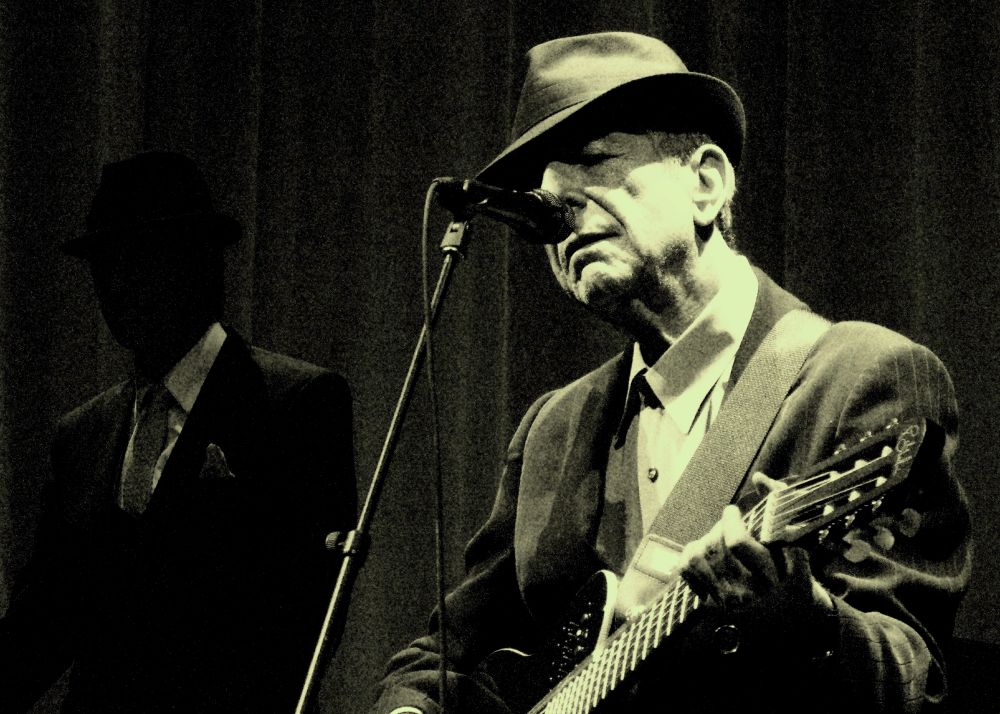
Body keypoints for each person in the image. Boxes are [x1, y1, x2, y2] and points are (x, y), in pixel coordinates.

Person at [372, 32, 970, 714]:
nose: (563, 216)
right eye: (548, 206)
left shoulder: (866, 377)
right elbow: (444, 655)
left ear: (707, 182)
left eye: (596, 167)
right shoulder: (552, 428)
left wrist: (801, 615)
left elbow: (914, 682)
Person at [0, 151, 356, 713]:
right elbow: (40, 625)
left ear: (196, 261)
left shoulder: (297, 404)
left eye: (137, 258)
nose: (114, 285)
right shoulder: (82, 436)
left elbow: (300, 621)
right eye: (103, 264)